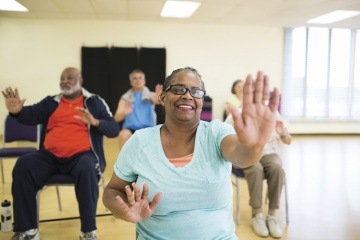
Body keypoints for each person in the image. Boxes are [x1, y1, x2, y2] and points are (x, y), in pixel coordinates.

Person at [102, 66, 280, 240]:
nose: (187, 95)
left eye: (196, 91)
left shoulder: (216, 132)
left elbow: (242, 157)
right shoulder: (140, 141)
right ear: (162, 96)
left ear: (202, 101)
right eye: (179, 89)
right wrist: (125, 211)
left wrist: (255, 144)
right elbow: (112, 190)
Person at [1, 67, 120, 240]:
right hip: (50, 156)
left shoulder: (94, 102)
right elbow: (30, 115)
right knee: (23, 165)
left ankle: (87, 232)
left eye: (70, 77)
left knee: (87, 168)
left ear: (81, 80)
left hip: (81, 157)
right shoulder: (51, 102)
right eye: (62, 78)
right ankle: (28, 230)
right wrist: (16, 111)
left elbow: (113, 129)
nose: (65, 81)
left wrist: (95, 122)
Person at [225, 106, 291, 238]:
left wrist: (283, 133)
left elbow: (288, 140)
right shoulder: (236, 114)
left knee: (277, 168)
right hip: (244, 155)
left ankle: (271, 215)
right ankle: (257, 215)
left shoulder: (273, 113)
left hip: (269, 153)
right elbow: (226, 139)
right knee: (256, 169)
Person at [113, 69, 162, 150]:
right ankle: (124, 162)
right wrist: (124, 113)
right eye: (135, 78)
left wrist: (160, 98)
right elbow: (116, 118)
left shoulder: (151, 95)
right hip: (131, 130)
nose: (138, 80)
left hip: (148, 129)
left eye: (140, 78)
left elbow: (158, 101)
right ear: (131, 82)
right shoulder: (125, 98)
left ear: (144, 81)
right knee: (123, 134)